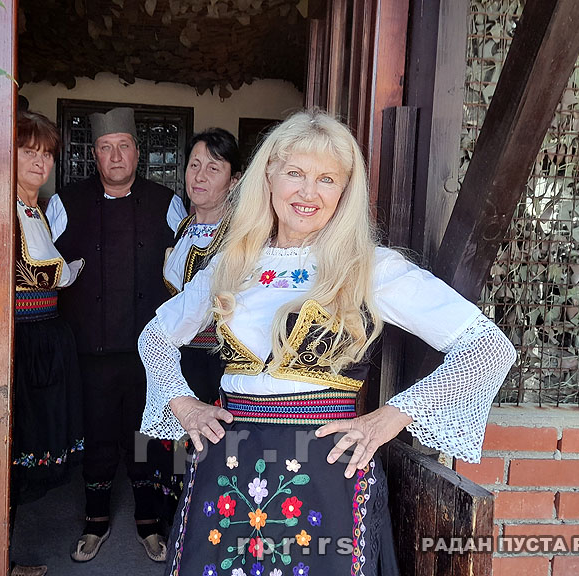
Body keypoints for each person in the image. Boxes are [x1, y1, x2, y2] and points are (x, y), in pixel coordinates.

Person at [138, 110, 517, 575]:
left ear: (344, 191)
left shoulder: (370, 267)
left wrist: (389, 418)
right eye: (295, 173)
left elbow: (487, 348)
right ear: (269, 176)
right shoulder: (232, 263)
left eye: (327, 179)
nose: (308, 192)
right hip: (228, 466)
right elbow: (155, 337)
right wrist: (183, 404)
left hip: (325, 470)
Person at [46, 106, 176, 563]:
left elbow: (188, 271)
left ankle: (149, 522)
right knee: (98, 436)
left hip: (149, 351)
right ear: (94, 155)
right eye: (106, 148)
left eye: (123, 146)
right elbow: (40, 267)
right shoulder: (65, 202)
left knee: (145, 436)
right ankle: (95, 521)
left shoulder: (167, 203)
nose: (115, 156)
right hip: (91, 349)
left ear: (137, 153)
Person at [9, 111, 85, 576]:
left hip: (46, 334)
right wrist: (66, 273)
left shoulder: (37, 209)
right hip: (20, 339)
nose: (40, 162)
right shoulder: (4, 208)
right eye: (29, 151)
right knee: (14, 441)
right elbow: (28, 272)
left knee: (33, 437)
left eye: (47, 154)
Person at [164, 128, 242, 404]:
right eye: (194, 165)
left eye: (213, 168)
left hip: (219, 362)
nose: (199, 176)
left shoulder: (239, 235)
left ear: (233, 181)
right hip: (180, 357)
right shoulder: (184, 228)